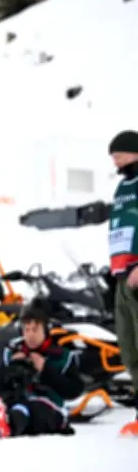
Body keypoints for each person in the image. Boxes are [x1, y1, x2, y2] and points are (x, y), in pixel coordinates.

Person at [0, 297, 84, 437]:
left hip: (49, 409)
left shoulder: (62, 356)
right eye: (27, 330)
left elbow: (74, 390)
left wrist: (45, 370)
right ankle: (0, 422)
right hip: (18, 402)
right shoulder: (13, 351)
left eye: (35, 330)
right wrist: (10, 369)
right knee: (5, 405)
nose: (30, 335)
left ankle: (15, 421)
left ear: (45, 330)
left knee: (35, 410)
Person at [107, 130, 138, 436]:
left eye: (118, 154)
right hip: (122, 277)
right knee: (129, 350)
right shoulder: (122, 187)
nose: (114, 160)